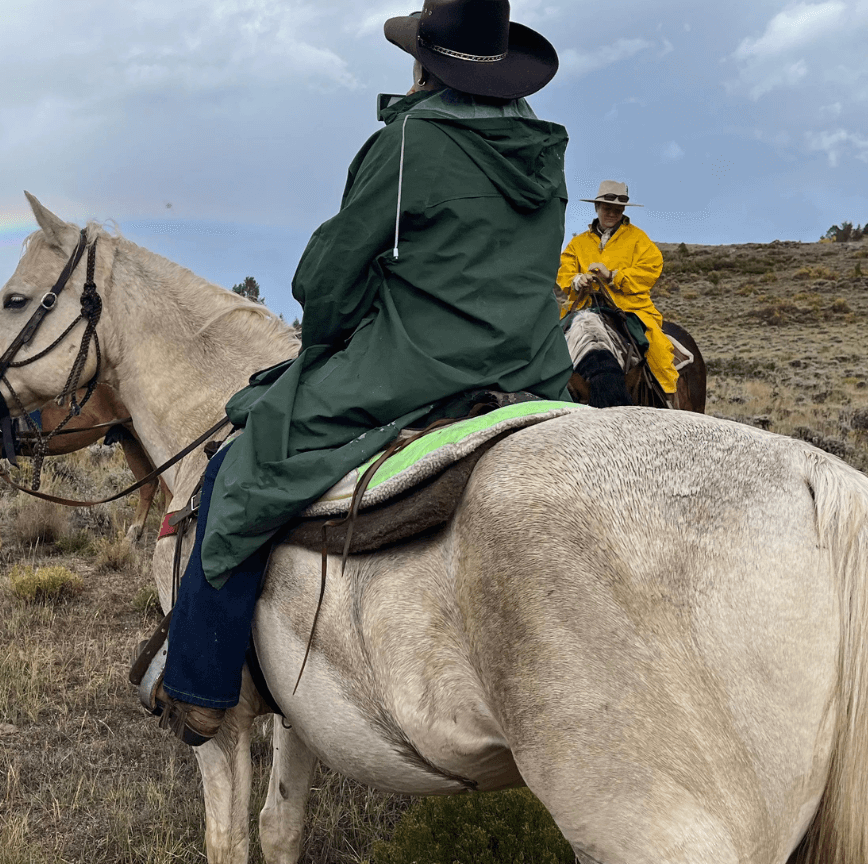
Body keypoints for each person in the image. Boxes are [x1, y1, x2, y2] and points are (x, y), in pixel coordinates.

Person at [146, 0, 573, 745]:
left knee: (241, 469)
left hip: (421, 366)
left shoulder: (412, 138)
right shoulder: (542, 150)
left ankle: (200, 686)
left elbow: (328, 280)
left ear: (422, 65)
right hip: (534, 367)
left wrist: (334, 334)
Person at [555, 181, 674, 407]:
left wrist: (613, 276)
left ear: (623, 211)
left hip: (629, 307)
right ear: (597, 207)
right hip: (584, 307)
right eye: (607, 208)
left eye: (617, 210)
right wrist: (577, 280)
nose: (612, 213)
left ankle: (666, 399)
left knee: (656, 348)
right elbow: (565, 270)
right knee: (547, 343)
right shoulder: (578, 243)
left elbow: (651, 268)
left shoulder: (638, 239)